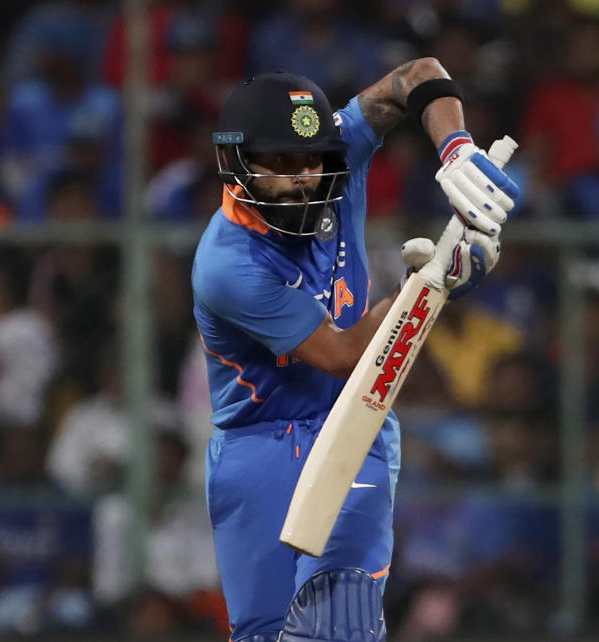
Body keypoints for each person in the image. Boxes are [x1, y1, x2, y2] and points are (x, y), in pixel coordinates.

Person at [191, 62, 519, 641]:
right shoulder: (227, 263)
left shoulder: (340, 151)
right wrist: (429, 283)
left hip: (351, 424)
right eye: (282, 164)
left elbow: (418, 76)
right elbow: (340, 353)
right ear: (236, 164)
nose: (304, 179)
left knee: (337, 623)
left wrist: (457, 151)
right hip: (255, 448)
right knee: (266, 634)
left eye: (313, 160)